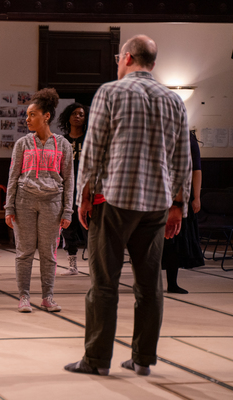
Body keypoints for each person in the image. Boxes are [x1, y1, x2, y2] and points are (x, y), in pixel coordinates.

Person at [65, 35, 191, 377]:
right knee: (150, 284)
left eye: (120, 58)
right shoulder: (174, 100)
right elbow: (183, 156)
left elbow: (94, 148)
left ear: (128, 58)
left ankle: (96, 360)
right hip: (157, 205)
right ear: (153, 62)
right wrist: (179, 204)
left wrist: (83, 195)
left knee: (104, 282)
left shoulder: (111, 92)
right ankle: (143, 358)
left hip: (116, 201)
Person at [5, 88, 74, 313]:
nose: (27, 119)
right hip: (24, 202)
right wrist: (9, 207)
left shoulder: (63, 144)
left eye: (32, 114)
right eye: (27, 115)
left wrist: (67, 211)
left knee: (49, 254)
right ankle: (24, 297)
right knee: (24, 252)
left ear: (46, 116)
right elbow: (13, 176)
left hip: (52, 204)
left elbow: (69, 179)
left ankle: (48, 297)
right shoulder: (23, 144)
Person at [162, 131, 204, 294]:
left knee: (175, 241)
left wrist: (197, 197)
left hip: (180, 195)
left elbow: (196, 169)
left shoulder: (187, 138)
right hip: (156, 193)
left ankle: (172, 283)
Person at [57, 102, 89, 276]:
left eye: (81, 114)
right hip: (67, 188)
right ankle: (72, 262)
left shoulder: (90, 140)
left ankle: (95, 261)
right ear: (68, 117)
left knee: (89, 226)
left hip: (87, 188)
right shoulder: (62, 141)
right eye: (74, 113)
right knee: (69, 226)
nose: (77, 116)